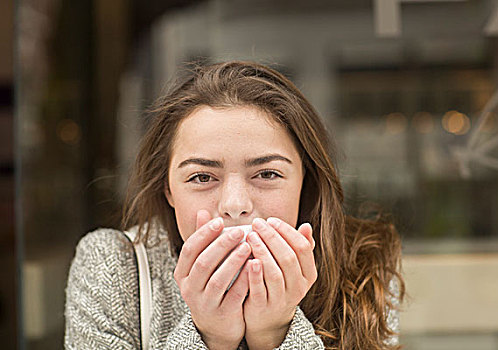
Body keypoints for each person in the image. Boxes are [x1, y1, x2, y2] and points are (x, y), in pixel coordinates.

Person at [64, 61, 405, 349]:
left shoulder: (361, 267)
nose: (235, 205)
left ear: (306, 183)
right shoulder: (112, 266)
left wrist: (274, 334)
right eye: (202, 177)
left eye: (267, 173)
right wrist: (210, 336)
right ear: (167, 189)